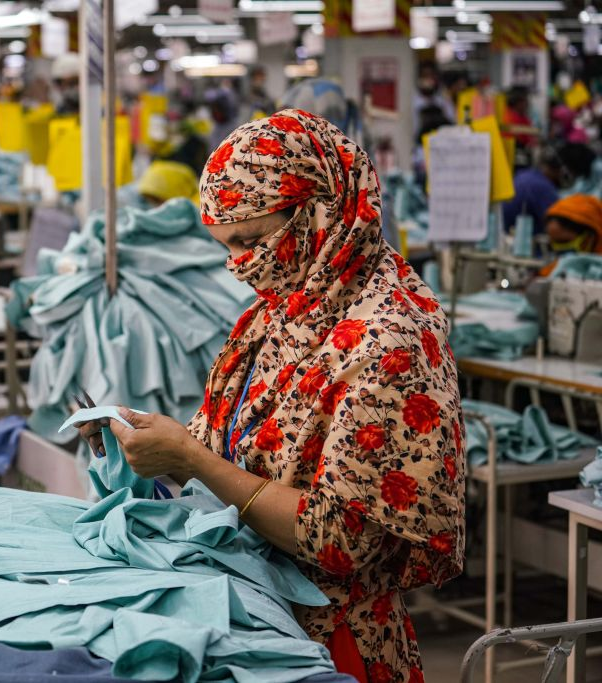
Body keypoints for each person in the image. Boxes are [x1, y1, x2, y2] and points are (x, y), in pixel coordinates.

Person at [77, 110, 464, 682]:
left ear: (319, 211)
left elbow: (341, 540)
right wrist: (146, 445)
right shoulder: (278, 316)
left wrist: (191, 458)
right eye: (227, 248)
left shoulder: (390, 342)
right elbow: (221, 458)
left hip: (328, 642)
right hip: (253, 614)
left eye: (253, 241)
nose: (241, 266)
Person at [502, 142, 596, 235]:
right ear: (565, 172)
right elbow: (560, 228)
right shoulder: (541, 188)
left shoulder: (527, 175)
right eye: (575, 176)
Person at [541, 194, 602, 275]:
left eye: (564, 242)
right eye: (553, 242)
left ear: (589, 238)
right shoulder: (552, 270)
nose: (557, 248)